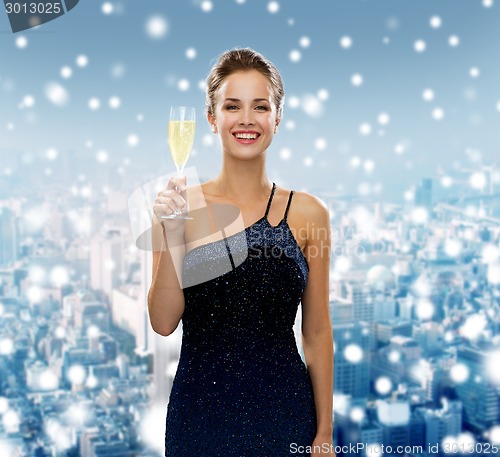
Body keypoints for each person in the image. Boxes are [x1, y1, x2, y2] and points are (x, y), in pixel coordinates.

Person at [148, 47, 335, 456]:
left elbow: (317, 330)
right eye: (232, 106)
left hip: (286, 415)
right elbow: (163, 323)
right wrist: (172, 233)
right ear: (212, 119)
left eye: (260, 106)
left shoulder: (308, 213)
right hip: (198, 419)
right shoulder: (176, 207)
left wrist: (324, 433)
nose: (247, 119)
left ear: (277, 118)